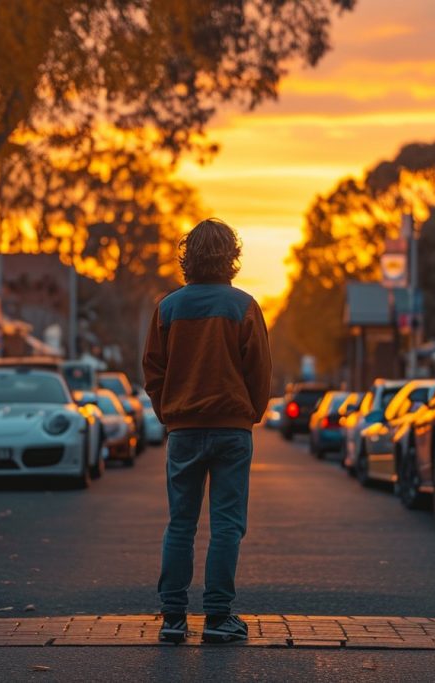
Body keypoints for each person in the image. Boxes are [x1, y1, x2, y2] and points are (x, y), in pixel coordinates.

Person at [142, 218, 272, 644]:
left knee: (180, 523)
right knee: (227, 525)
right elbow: (260, 370)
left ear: (188, 257)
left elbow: (153, 369)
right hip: (232, 430)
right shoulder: (244, 306)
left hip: (184, 430)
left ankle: (173, 619)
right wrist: (249, 413)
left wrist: (168, 412)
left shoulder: (168, 308)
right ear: (230, 257)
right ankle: (218, 618)